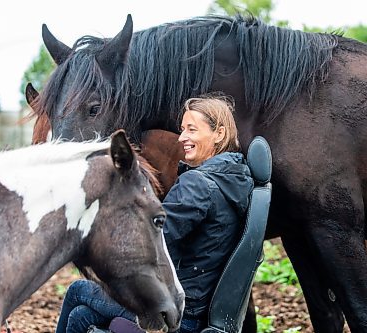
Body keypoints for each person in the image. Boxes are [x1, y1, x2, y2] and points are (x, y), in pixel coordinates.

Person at [55, 93, 254, 333]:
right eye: (182, 129)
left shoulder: (198, 185)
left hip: (179, 311)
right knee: (81, 316)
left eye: (192, 130)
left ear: (219, 134)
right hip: (201, 307)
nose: (182, 138)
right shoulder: (237, 179)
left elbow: (151, 241)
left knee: (78, 291)